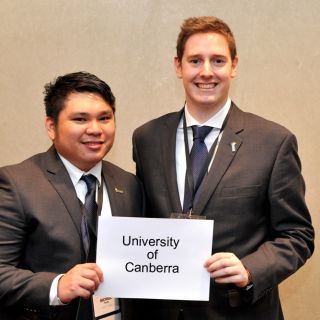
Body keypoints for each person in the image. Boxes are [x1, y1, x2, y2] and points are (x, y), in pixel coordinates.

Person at [130, 16, 314, 320]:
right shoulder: (147, 138)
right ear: (178, 66)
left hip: (239, 311)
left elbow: (297, 235)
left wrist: (250, 269)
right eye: (195, 60)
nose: (206, 72)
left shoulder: (273, 142)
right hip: (164, 312)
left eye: (217, 60)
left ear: (234, 65)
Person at [0, 71, 144, 320]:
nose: (95, 129)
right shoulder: (17, 183)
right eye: (80, 119)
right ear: (51, 126)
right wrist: (57, 286)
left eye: (104, 118)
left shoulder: (129, 185)